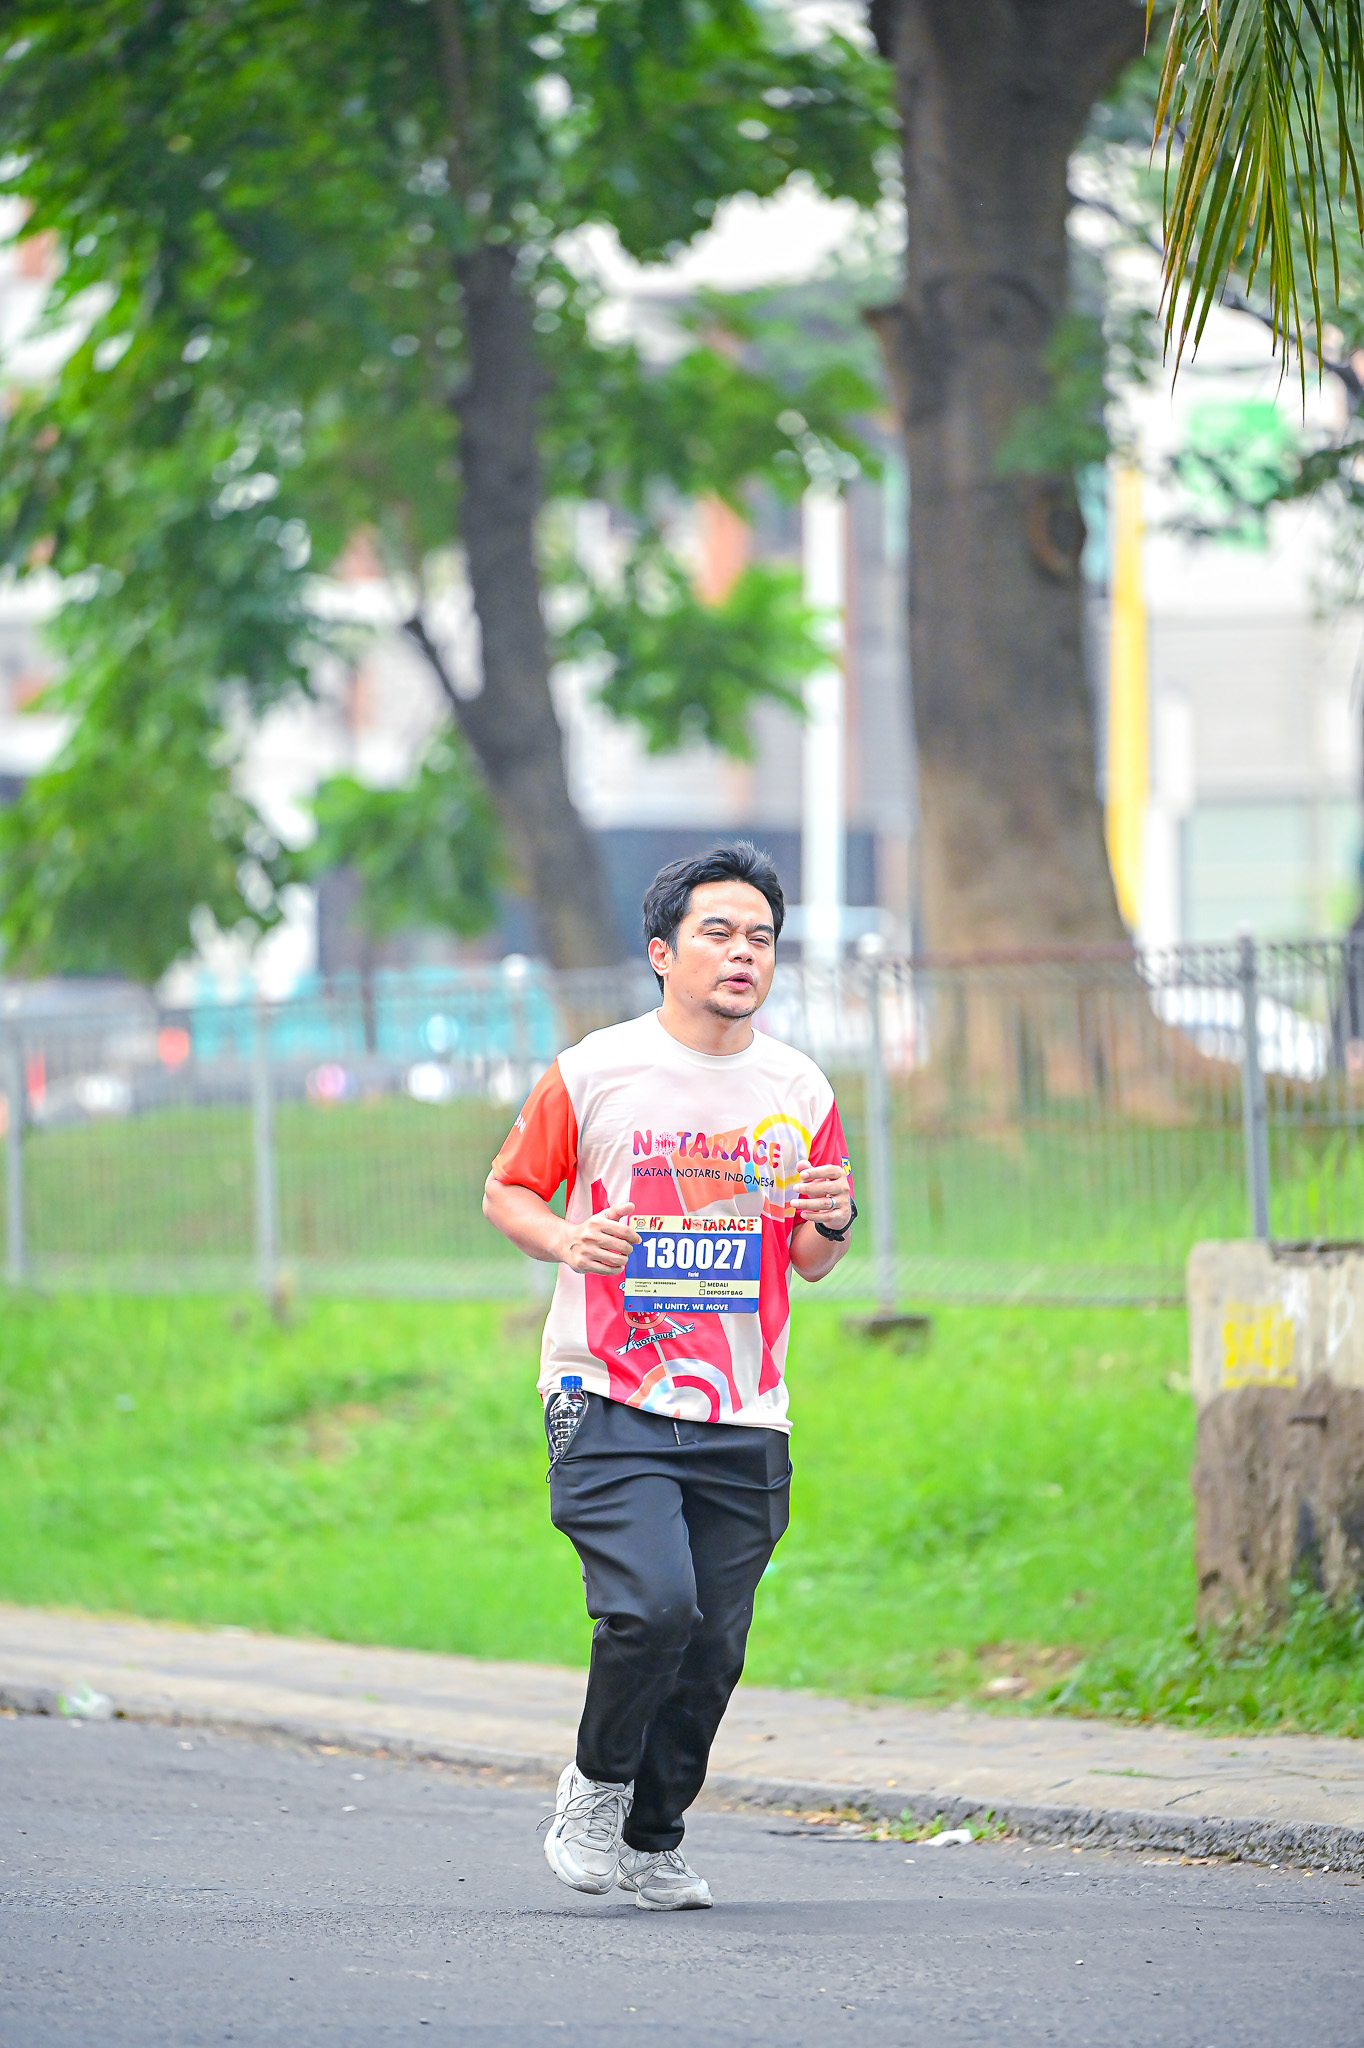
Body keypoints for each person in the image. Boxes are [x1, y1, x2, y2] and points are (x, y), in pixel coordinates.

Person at [482, 842, 856, 1911]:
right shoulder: (595, 1070)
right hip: (606, 1389)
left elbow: (811, 1256)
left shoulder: (797, 1086)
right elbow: (507, 1190)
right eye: (717, 933)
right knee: (653, 1607)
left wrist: (831, 1216)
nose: (743, 954)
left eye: (761, 939)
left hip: (743, 1406)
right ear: (661, 952)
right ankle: (594, 1789)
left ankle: (652, 1838)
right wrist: (567, 1239)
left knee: (715, 1644)